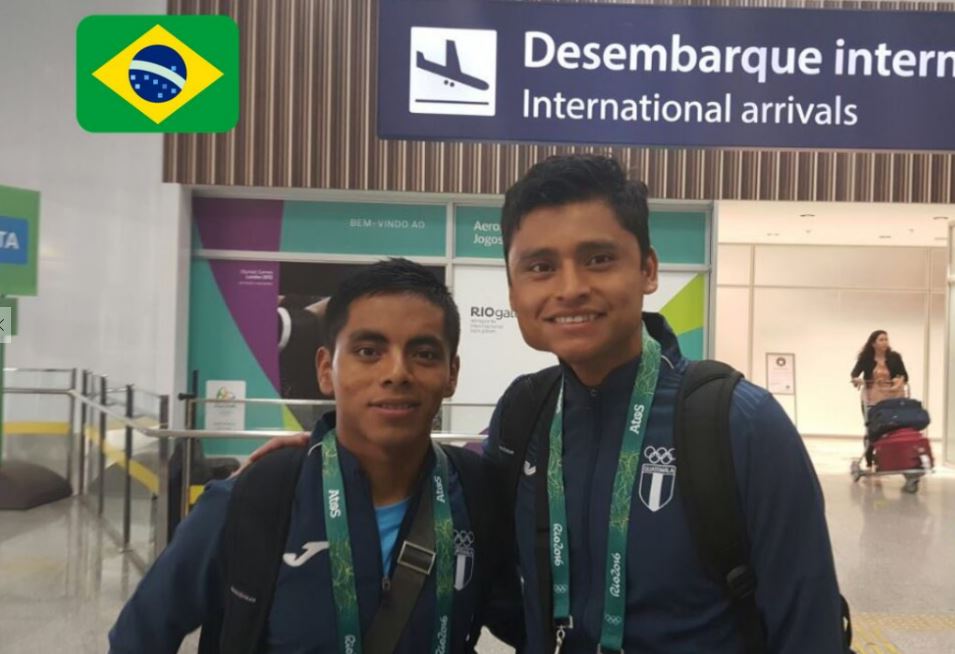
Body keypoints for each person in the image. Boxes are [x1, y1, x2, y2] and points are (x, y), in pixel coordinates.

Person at [247, 155, 848, 653]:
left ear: (648, 270)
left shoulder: (739, 425)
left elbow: (809, 630)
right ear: (513, 290)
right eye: (540, 266)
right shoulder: (524, 417)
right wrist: (330, 450)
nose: (569, 287)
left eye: (599, 258)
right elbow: (456, 485)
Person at [109, 259, 521, 653]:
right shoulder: (256, 498)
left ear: (452, 374)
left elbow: (534, 624)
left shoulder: (477, 493)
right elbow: (139, 638)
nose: (397, 372)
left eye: (425, 353)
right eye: (368, 351)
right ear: (326, 369)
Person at [850, 329, 909, 466]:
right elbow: (854, 374)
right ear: (873, 343)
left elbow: (904, 375)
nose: (885, 342)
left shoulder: (895, 357)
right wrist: (856, 380)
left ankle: (886, 455)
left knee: (891, 427)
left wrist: (899, 380)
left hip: (892, 396)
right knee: (872, 427)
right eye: (881, 340)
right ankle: (869, 459)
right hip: (872, 397)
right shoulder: (865, 359)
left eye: (886, 339)